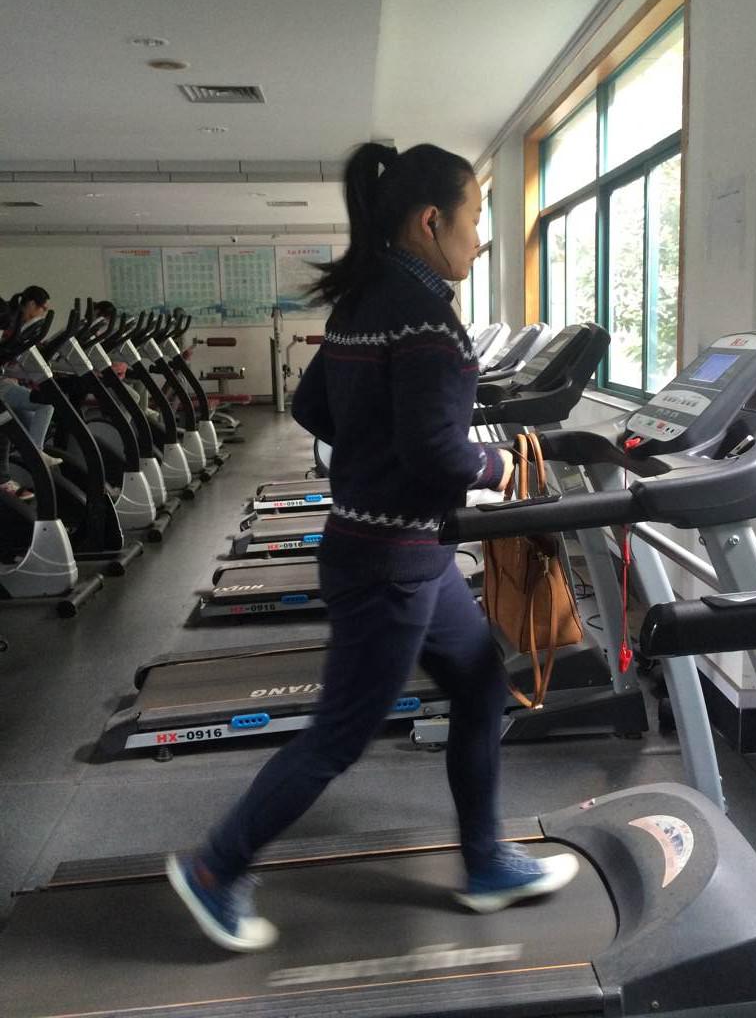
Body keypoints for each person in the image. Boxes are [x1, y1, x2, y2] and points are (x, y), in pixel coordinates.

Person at [166, 142, 579, 952]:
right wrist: (498, 465)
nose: (480, 239)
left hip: (403, 553)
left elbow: (314, 407)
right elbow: (437, 455)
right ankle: (217, 867)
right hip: (391, 563)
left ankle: (487, 862)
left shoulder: (365, 301)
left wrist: (377, 451)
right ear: (431, 221)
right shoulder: (428, 319)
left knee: (481, 682)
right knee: (340, 734)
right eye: (474, 220)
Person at [0, 286, 61, 468]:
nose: (44, 313)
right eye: (43, 308)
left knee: (27, 426)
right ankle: (35, 454)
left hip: (9, 383)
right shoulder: (12, 325)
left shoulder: (17, 326)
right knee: (46, 404)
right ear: (33, 304)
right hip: (4, 386)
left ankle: (31, 455)